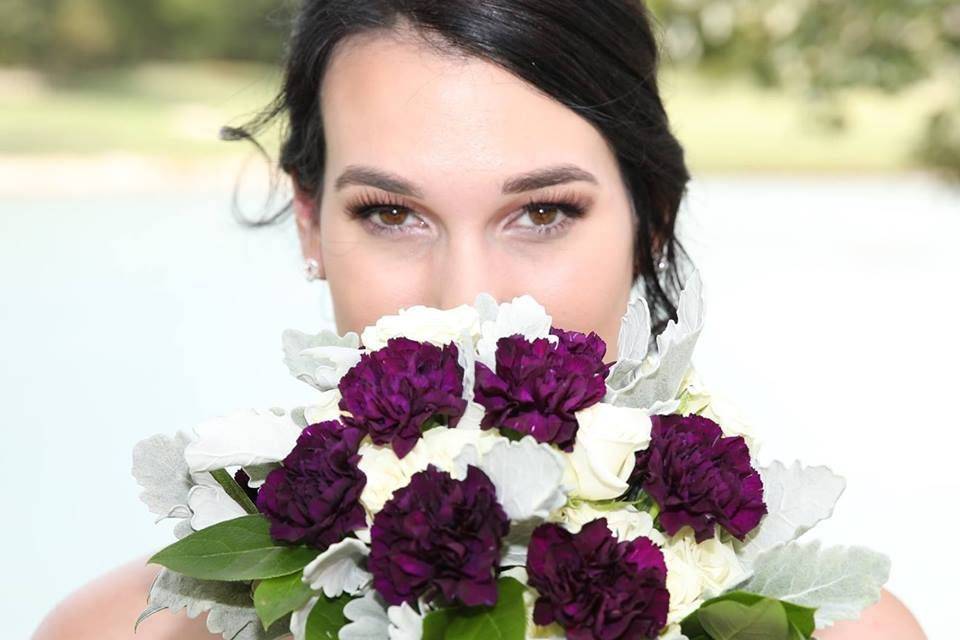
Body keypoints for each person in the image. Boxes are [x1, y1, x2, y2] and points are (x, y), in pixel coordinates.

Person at [34, 1, 926, 638]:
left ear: (650, 223)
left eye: (543, 212)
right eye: (390, 213)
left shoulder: (843, 632)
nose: (468, 303)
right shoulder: (118, 632)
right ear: (310, 224)